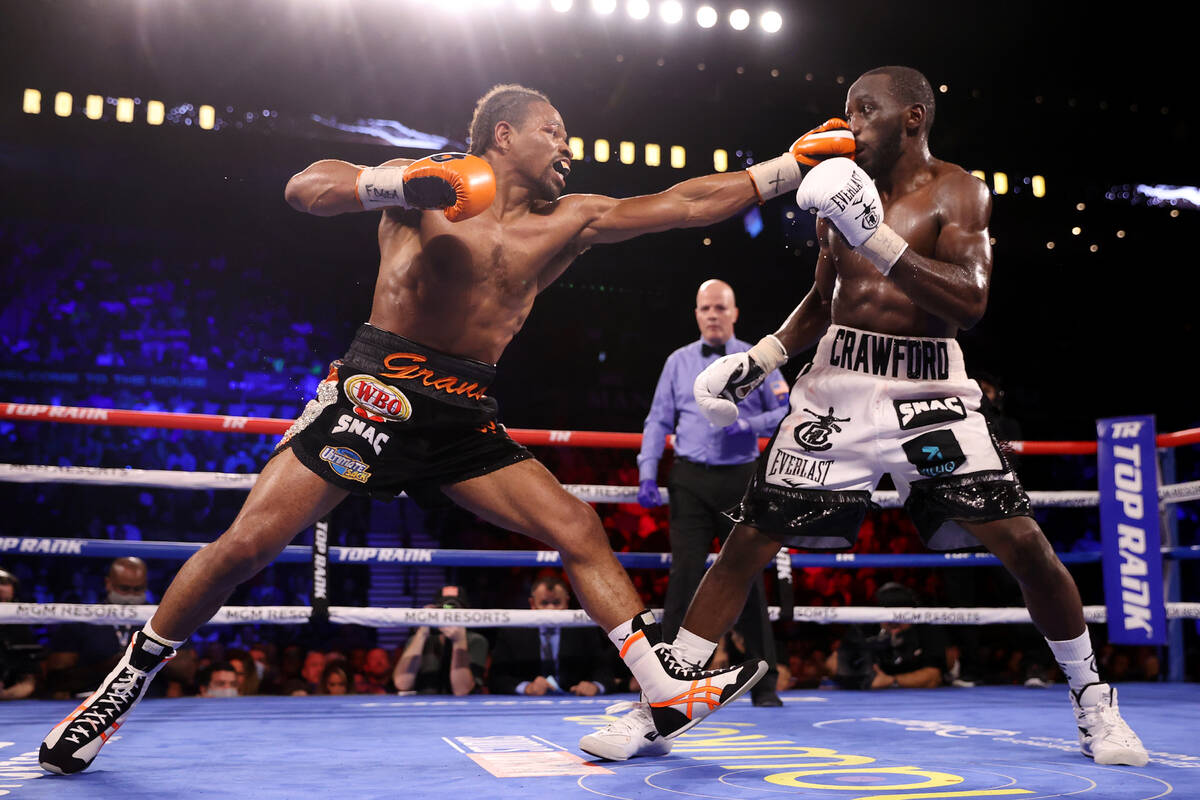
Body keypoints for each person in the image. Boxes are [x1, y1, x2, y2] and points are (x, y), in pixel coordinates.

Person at [39, 83, 854, 774]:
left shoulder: (568, 218)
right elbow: (306, 186)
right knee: (247, 546)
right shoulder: (423, 184)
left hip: (465, 410)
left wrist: (788, 168)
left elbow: (680, 204)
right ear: (505, 134)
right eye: (552, 132)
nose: (567, 147)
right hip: (375, 391)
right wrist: (399, 188)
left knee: (575, 524)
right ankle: (119, 687)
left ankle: (664, 687)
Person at [636, 65, 1145, 767]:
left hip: (928, 391)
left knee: (1024, 543)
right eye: (846, 111)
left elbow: (968, 302)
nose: (851, 125)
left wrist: (876, 237)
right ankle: (666, 697)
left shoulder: (959, 191)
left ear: (913, 118)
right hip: (837, 387)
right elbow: (825, 299)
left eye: (866, 111)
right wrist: (762, 358)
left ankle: (1094, 700)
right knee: (749, 540)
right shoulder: (838, 190)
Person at [636, 278, 788, 709]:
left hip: (740, 479)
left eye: (721, 308)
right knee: (684, 574)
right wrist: (648, 472)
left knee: (748, 578)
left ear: (734, 313)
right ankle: (663, 684)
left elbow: (787, 409)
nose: (713, 315)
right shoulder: (678, 362)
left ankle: (766, 683)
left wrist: (749, 426)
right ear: (697, 314)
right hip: (689, 479)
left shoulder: (757, 360)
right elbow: (658, 421)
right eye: (706, 308)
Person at [488, 575, 616, 696]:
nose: (550, 610)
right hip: (528, 704)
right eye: (544, 603)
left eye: (556, 603)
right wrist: (527, 687)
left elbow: (604, 671)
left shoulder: (583, 630)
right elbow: (496, 677)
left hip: (574, 700)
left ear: (566, 603)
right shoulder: (513, 632)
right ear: (532, 604)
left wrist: (595, 686)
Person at [44, 557, 153, 700]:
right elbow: (57, 680)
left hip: (148, 699)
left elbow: (185, 672)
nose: (131, 596)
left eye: (138, 589)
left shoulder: (159, 620)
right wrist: (110, 666)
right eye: (124, 589)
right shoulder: (82, 619)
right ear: (108, 584)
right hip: (91, 699)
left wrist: (151, 658)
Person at [824, 582, 949, 690]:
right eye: (887, 617)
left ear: (911, 615)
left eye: (900, 617)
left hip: (918, 698)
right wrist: (863, 679)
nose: (893, 622)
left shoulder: (926, 627)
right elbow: (833, 663)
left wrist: (891, 681)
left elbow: (934, 677)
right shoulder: (866, 627)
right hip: (870, 697)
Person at [392, 586, 488, 696]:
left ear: (466, 611)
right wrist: (421, 633)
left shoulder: (476, 641)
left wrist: (459, 641)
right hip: (423, 708)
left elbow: (461, 690)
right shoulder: (421, 640)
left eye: (456, 608)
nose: (450, 612)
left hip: (461, 709)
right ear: (436, 609)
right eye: (445, 607)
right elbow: (402, 684)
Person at [1, 568, 40, 700]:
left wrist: (6, 694)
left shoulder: (20, 629)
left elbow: (28, 682)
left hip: (11, 701)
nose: (1, 588)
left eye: (5, 582)